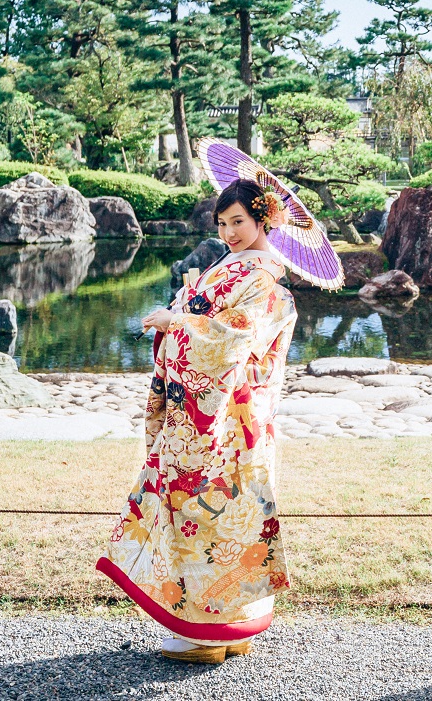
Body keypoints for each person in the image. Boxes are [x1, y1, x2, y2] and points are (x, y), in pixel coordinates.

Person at [97, 177, 299, 664]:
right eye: (223, 223)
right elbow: (208, 319)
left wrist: (179, 323)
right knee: (221, 515)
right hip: (214, 412)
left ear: (262, 219)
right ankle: (229, 627)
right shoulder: (235, 265)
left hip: (225, 419)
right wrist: (176, 314)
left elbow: (234, 338)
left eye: (239, 222)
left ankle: (204, 634)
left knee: (207, 512)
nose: (230, 233)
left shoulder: (267, 280)